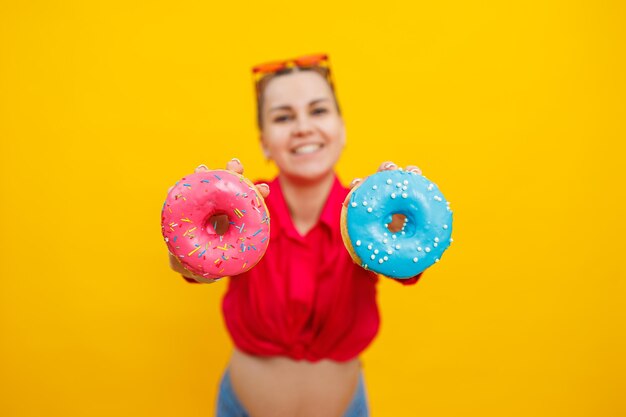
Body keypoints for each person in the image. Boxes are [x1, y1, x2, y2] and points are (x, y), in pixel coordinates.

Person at [168, 54, 424, 417]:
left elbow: (406, 268)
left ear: (342, 128)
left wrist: (399, 227)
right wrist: (194, 256)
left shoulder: (369, 220)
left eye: (318, 111)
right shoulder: (240, 214)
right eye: (283, 117)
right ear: (264, 144)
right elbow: (192, 270)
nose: (302, 127)